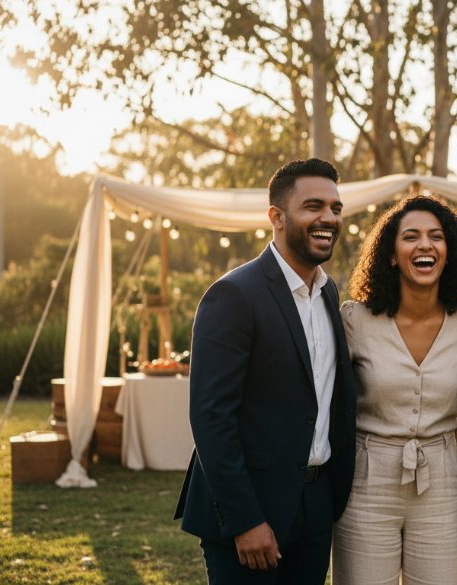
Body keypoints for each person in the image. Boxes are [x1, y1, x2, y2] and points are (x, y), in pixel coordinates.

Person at [173, 159, 358, 585]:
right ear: (276, 216)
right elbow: (211, 418)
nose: (328, 218)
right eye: (313, 206)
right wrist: (244, 519)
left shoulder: (328, 292)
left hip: (316, 503)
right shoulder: (233, 295)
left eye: (335, 208)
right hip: (252, 510)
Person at [332, 194, 457, 585]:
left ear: (449, 252)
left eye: (436, 236)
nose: (425, 245)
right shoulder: (355, 319)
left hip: (442, 481)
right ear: (390, 254)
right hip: (365, 484)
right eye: (411, 237)